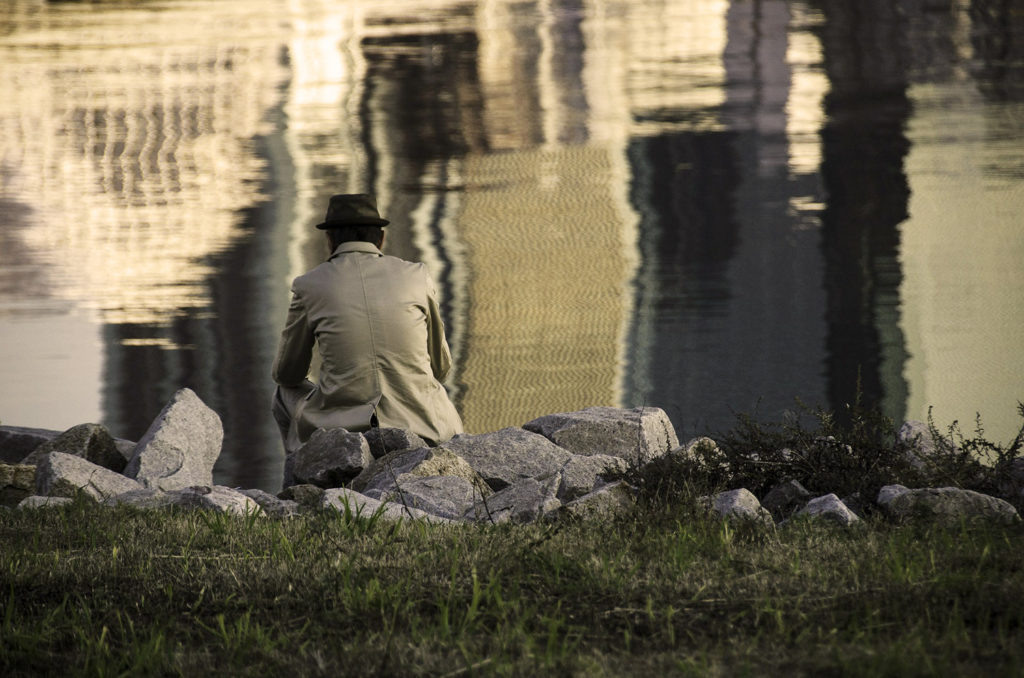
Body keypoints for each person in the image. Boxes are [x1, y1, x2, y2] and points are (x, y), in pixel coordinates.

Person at [271, 193, 464, 454]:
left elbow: (287, 374)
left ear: (330, 240)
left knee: (284, 394)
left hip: (342, 431)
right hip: (425, 426)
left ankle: (300, 476)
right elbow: (441, 368)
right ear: (381, 238)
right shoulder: (417, 276)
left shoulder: (309, 286)